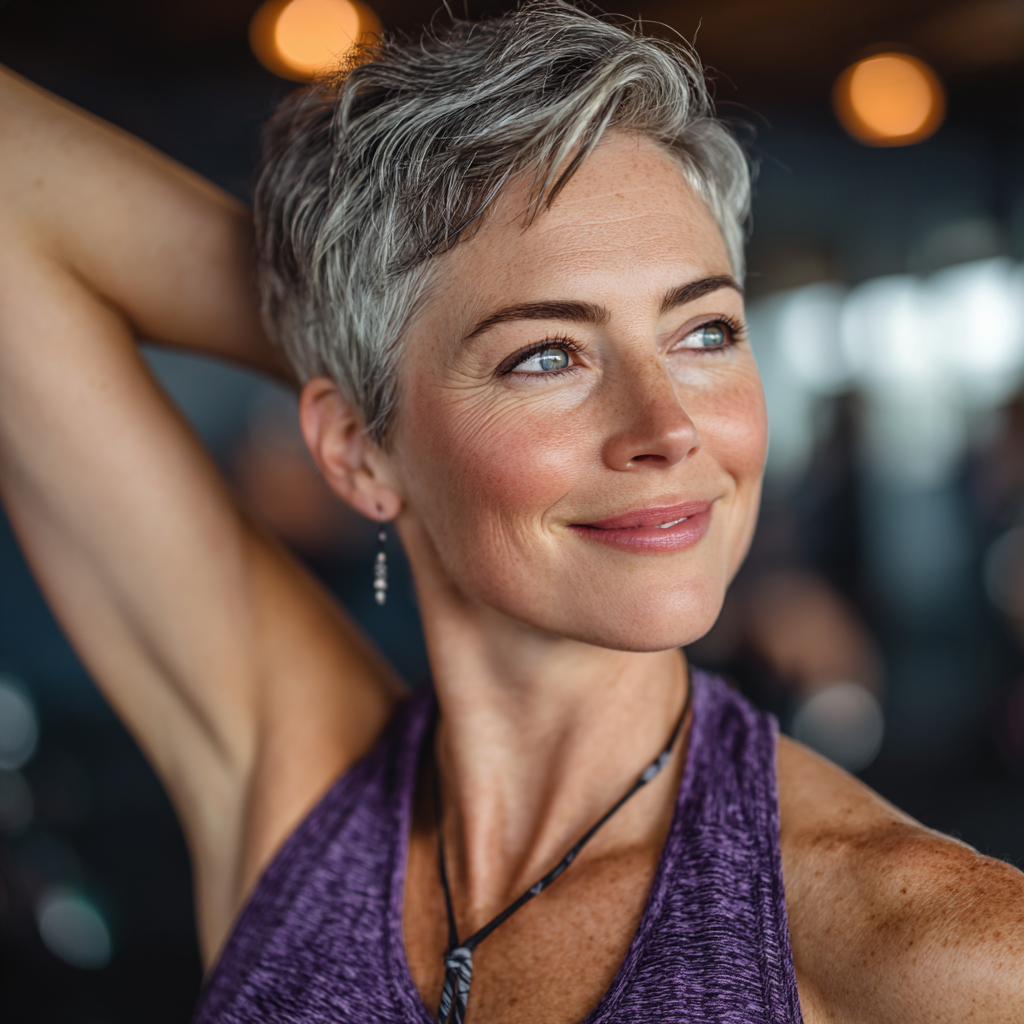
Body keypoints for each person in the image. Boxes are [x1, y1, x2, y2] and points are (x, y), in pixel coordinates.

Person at [0, 4, 1021, 1021]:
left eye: (704, 333)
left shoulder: (931, 941)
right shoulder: (294, 792)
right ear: (351, 452)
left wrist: (404, 375)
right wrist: (372, 362)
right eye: (546, 354)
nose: (666, 427)